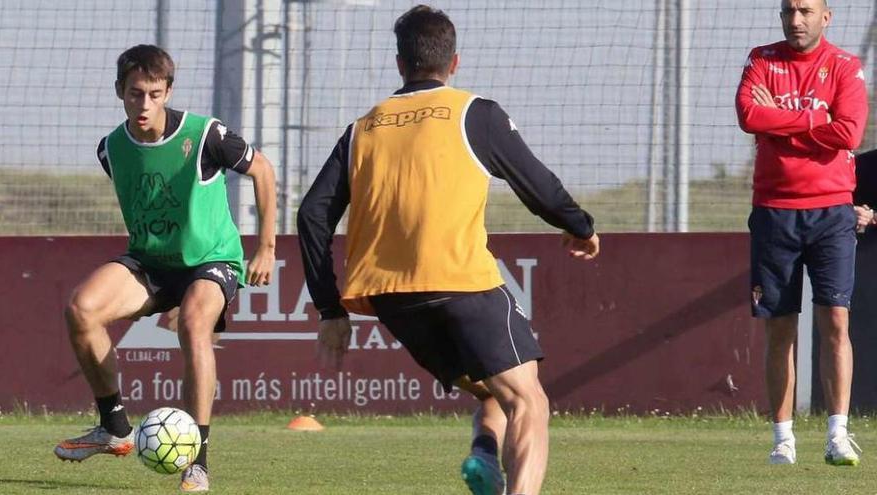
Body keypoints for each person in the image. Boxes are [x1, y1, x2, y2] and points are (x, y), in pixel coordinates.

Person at [297, 6, 598, 495]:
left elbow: (311, 215)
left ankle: (484, 453)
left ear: (400, 64)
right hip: (462, 282)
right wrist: (580, 225)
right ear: (454, 63)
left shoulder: (362, 129)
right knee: (531, 402)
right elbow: (537, 185)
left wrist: (329, 308)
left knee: (495, 386)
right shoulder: (473, 113)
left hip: (393, 299)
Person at [53, 45, 277, 492]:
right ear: (120, 91)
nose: (145, 104)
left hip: (211, 259)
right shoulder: (110, 149)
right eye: (136, 93)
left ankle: (198, 461)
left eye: (155, 94)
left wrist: (266, 247)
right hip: (153, 261)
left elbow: (264, 171)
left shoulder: (206, 134)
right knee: (81, 309)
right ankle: (115, 428)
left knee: (194, 324)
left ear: (168, 90)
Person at [735, 0, 868, 466]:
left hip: (832, 210)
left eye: (806, 11)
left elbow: (849, 132)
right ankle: (782, 440)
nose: (796, 20)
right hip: (774, 210)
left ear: (825, 17)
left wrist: (784, 125)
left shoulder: (845, 66)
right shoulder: (761, 59)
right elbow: (750, 116)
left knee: (835, 320)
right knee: (780, 327)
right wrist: (817, 120)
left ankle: (837, 434)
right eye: (789, 10)